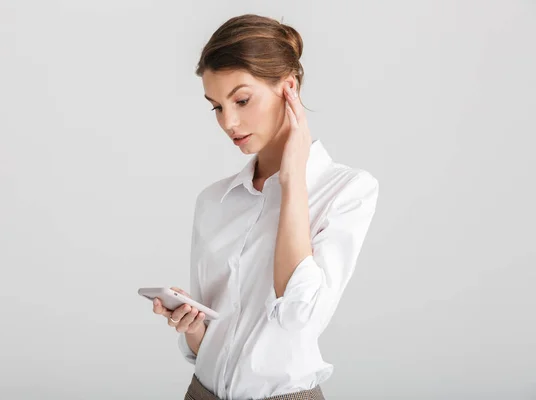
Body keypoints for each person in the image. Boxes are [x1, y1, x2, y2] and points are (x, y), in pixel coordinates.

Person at [152, 13, 380, 400]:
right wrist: (192, 326)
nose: (229, 122)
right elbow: (211, 339)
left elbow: (297, 316)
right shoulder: (213, 201)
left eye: (241, 100)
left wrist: (291, 180)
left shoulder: (348, 191)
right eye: (217, 107)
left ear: (288, 88)